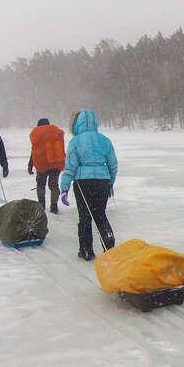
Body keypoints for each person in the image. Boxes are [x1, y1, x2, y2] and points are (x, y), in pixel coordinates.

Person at [58, 109, 118, 261]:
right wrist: (110, 181)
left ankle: (86, 250)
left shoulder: (75, 142)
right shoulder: (104, 140)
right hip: (102, 182)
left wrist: (64, 187)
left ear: (77, 123)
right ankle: (107, 238)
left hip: (82, 183)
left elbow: (70, 166)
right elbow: (113, 164)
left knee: (85, 217)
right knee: (100, 213)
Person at [27, 117, 66, 214]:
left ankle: (41, 204)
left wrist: (30, 164)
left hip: (41, 163)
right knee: (54, 185)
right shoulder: (55, 133)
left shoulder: (38, 135)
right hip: (55, 163)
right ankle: (54, 205)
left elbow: (34, 151)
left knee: (40, 183)